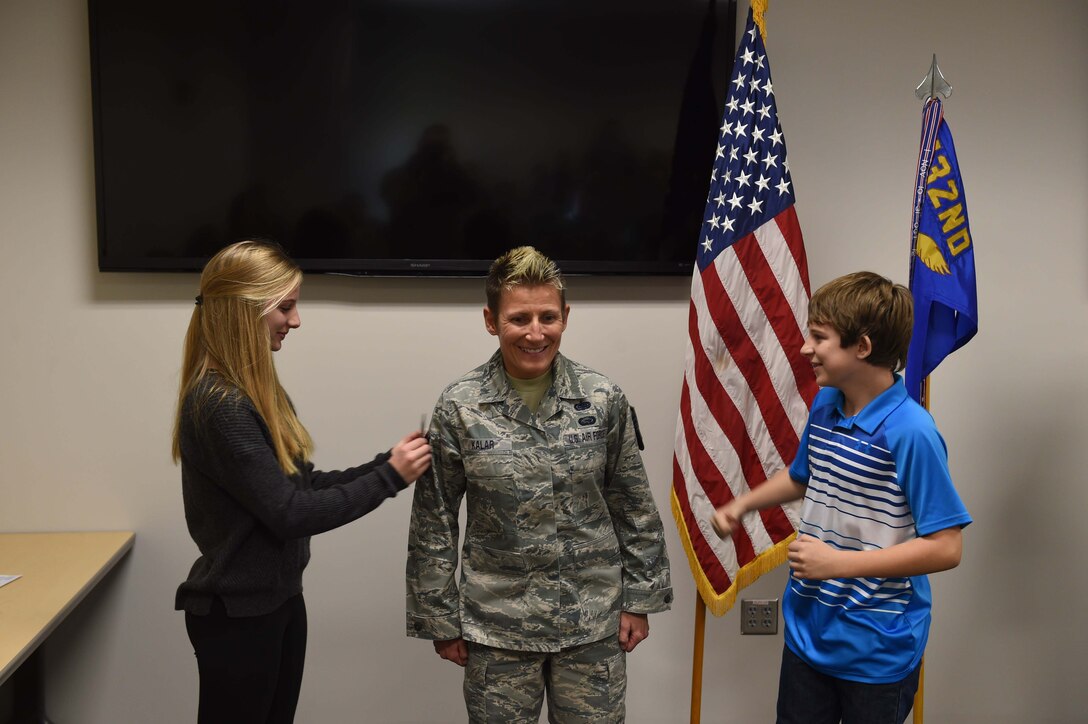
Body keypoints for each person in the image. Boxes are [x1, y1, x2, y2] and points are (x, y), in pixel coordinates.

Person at [406, 246, 672, 723]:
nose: (535, 332)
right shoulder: (460, 406)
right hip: (497, 628)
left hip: (591, 621)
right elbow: (435, 519)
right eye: (519, 318)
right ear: (491, 320)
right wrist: (440, 619)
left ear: (566, 317)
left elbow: (632, 503)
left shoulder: (602, 398)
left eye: (548, 316)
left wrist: (640, 600)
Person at [172, 240, 431, 724]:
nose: (296, 321)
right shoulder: (220, 404)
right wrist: (390, 477)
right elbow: (289, 514)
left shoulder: (255, 390)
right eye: (285, 307)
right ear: (244, 310)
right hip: (238, 617)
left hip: (279, 602)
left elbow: (302, 487)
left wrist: (390, 462)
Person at [710, 271, 972, 724]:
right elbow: (802, 478)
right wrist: (744, 504)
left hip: (876, 652)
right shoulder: (826, 405)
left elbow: (946, 547)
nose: (805, 348)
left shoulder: (911, 432)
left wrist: (838, 565)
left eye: (819, 337)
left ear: (863, 348)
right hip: (808, 637)